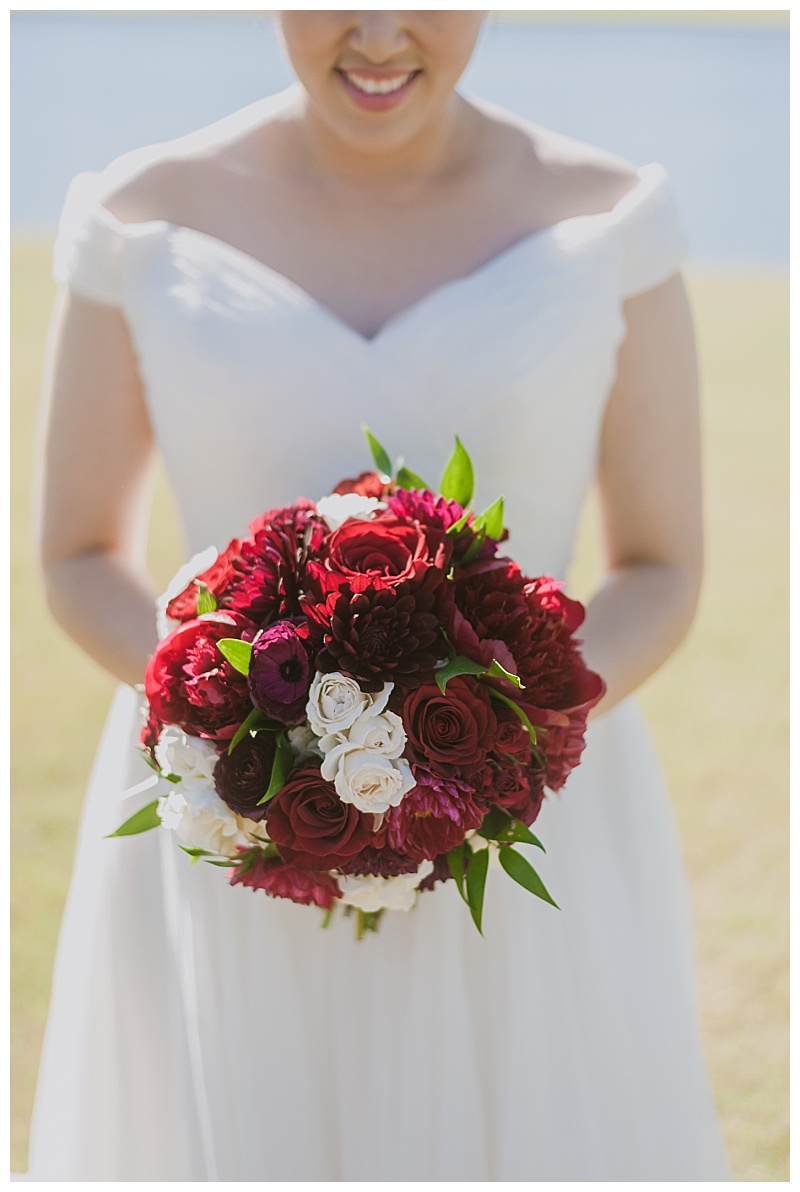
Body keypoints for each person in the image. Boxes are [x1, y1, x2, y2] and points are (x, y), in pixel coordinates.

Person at [29, 11, 730, 1180]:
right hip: (231, 804)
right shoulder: (140, 216)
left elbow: (661, 564)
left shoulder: (608, 219)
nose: (377, 30)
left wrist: (500, 736)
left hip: (533, 808)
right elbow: (75, 555)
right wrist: (242, 729)